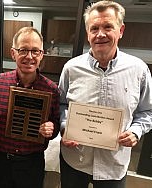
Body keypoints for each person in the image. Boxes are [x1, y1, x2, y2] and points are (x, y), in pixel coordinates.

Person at [59, 1, 152, 188]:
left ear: (121, 30)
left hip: (113, 164)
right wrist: (64, 126)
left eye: (108, 26)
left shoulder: (139, 70)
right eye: (94, 28)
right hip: (75, 160)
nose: (100, 34)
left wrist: (136, 132)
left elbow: (147, 111)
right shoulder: (71, 68)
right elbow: (61, 105)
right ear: (88, 33)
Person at [0, 26, 60, 188]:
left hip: (32, 164)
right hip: (0, 162)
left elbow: (55, 125)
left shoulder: (51, 89)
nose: (29, 57)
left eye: (35, 51)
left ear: (42, 54)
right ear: (13, 53)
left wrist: (51, 129)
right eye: (23, 50)